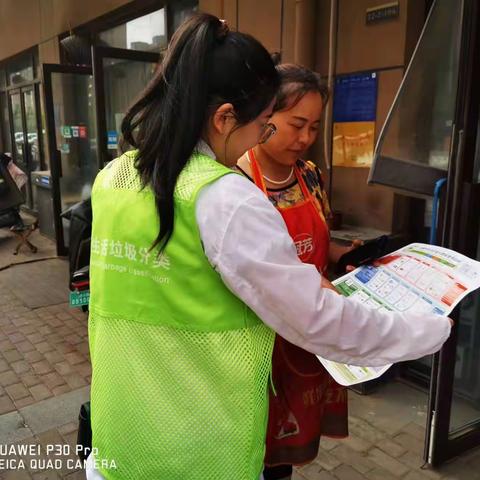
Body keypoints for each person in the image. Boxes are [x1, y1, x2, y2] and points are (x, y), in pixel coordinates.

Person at [86, 14, 451, 480]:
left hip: (121, 438)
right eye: (264, 125)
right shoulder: (225, 197)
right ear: (223, 118)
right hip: (199, 451)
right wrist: (425, 331)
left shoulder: (113, 178)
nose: (265, 138)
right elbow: (317, 319)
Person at [236, 63, 357, 480]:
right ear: (264, 117)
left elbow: (318, 243)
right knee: (248, 451)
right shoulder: (236, 178)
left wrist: (346, 257)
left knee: (283, 463)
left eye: (315, 127)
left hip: (308, 339)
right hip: (259, 344)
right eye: (296, 124)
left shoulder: (309, 175)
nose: (305, 138)